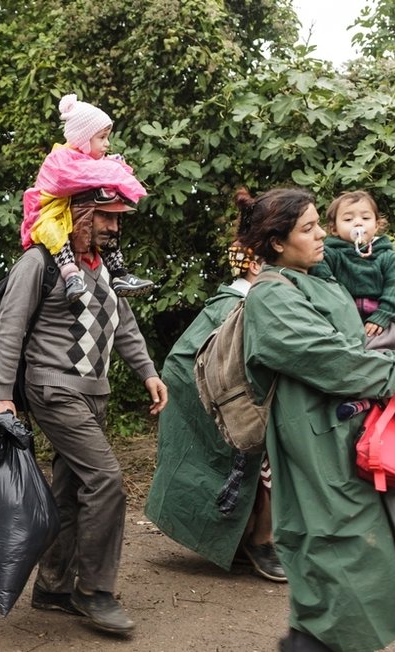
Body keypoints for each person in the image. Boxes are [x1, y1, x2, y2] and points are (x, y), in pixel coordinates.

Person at [239, 186, 395, 651]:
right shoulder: (271, 296)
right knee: (333, 553)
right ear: (278, 243)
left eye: (319, 223)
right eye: (309, 228)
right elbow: (330, 359)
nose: (323, 234)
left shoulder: (317, 278)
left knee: (351, 561)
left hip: (344, 437)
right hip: (314, 446)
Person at [0, 187, 168, 636]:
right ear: (77, 215)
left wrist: (148, 372)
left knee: (72, 489)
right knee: (106, 480)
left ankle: (53, 586)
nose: (114, 226)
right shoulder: (38, 262)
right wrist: (0, 396)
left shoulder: (105, 266)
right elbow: (10, 329)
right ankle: (95, 591)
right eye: (105, 218)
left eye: (117, 219)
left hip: (95, 391)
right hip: (53, 386)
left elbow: (122, 324)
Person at [144, 231, 285, 582]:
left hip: (250, 404)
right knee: (266, 466)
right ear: (254, 266)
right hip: (232, 407)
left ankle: (249, 539)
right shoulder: (231, 306)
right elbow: (183, 362)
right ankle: (260, 541)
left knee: (266, 465)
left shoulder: (255, 303)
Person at [21, 94, 153, 302]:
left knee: (106, 230)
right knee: (54, 233)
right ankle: (71, 274)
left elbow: (95, 172)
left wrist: (111, 166)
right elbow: (78, 176)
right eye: (101, 138)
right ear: (83, 138)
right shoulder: (59, 159)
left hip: (76, 212)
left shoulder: (86, 160)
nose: (107, 144)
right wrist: (110, 168)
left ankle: (119, 274)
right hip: (50, 213)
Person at [311, 190, 395, 353]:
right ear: (334, 228)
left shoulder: (386, 255)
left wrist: (383, 315)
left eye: (365, 218)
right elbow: (319, 273)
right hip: (345, 321)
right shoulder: (331, 253)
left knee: (392, 345)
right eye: (348, 219)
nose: (358, 223)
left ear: (377, 225)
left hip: (381, 319)